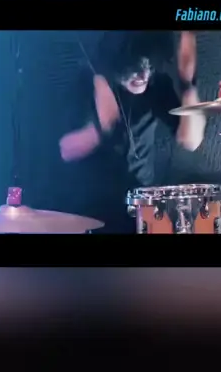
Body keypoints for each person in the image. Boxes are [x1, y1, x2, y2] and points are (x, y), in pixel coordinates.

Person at [59, 31, 207, 233]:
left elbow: (191, 141)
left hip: (140, 211)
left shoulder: (156, 85)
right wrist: (101, 129)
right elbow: (66, 150)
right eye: (137, 68)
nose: (144, 76)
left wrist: (188, 86)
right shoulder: (86, 83)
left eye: (150, 66)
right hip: (91, 210)